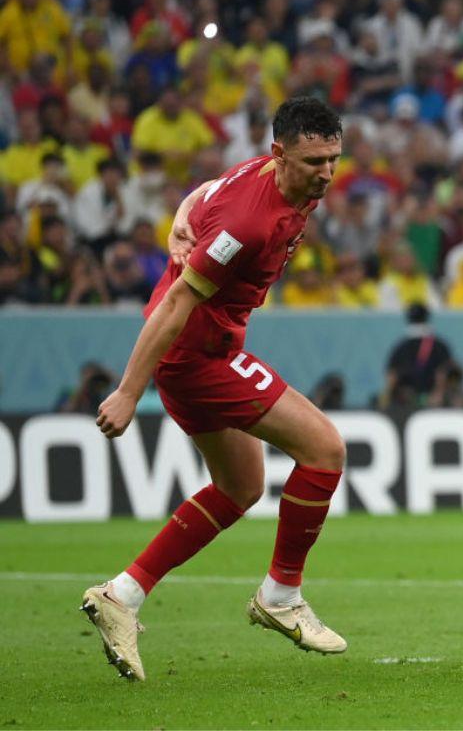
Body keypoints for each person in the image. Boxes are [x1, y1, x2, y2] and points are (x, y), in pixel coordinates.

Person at [84, 97, 349, 681]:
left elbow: (201, 194)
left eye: (333, 158)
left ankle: (122, 596)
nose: (326, 173)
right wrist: (130, 390)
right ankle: (281, 596)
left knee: (241, 486)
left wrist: (179, 220)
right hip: (198, 355)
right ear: (281, 154)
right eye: (314, 162)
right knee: (325, 450)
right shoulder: (250, 224)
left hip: (203, 348)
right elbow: (180, 302)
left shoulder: (263, 173)